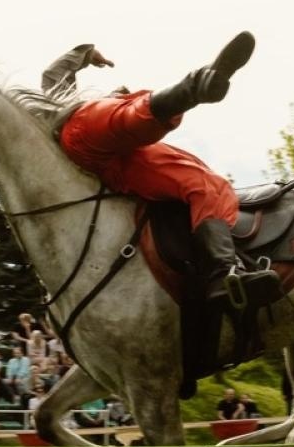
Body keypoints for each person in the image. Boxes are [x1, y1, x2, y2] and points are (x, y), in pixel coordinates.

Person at [43, 35, 279, 306]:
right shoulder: (71, 110)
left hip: (119, 161)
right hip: (84, 139)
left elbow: (54, 76)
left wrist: (87, 57)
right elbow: (53, 76)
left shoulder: (91, 110)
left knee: (208, 184)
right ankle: (197, 85)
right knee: (129, 115)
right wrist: (85, 54)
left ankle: (224, 274)